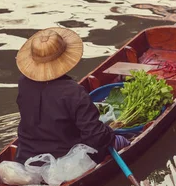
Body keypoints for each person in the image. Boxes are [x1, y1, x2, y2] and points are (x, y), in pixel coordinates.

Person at [14, 27, 130, 164]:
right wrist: (112, 136)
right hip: (65, 160)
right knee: (122, 140)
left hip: (27, 155)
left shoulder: (23, 82)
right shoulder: (74, 92)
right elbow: (96, 137)